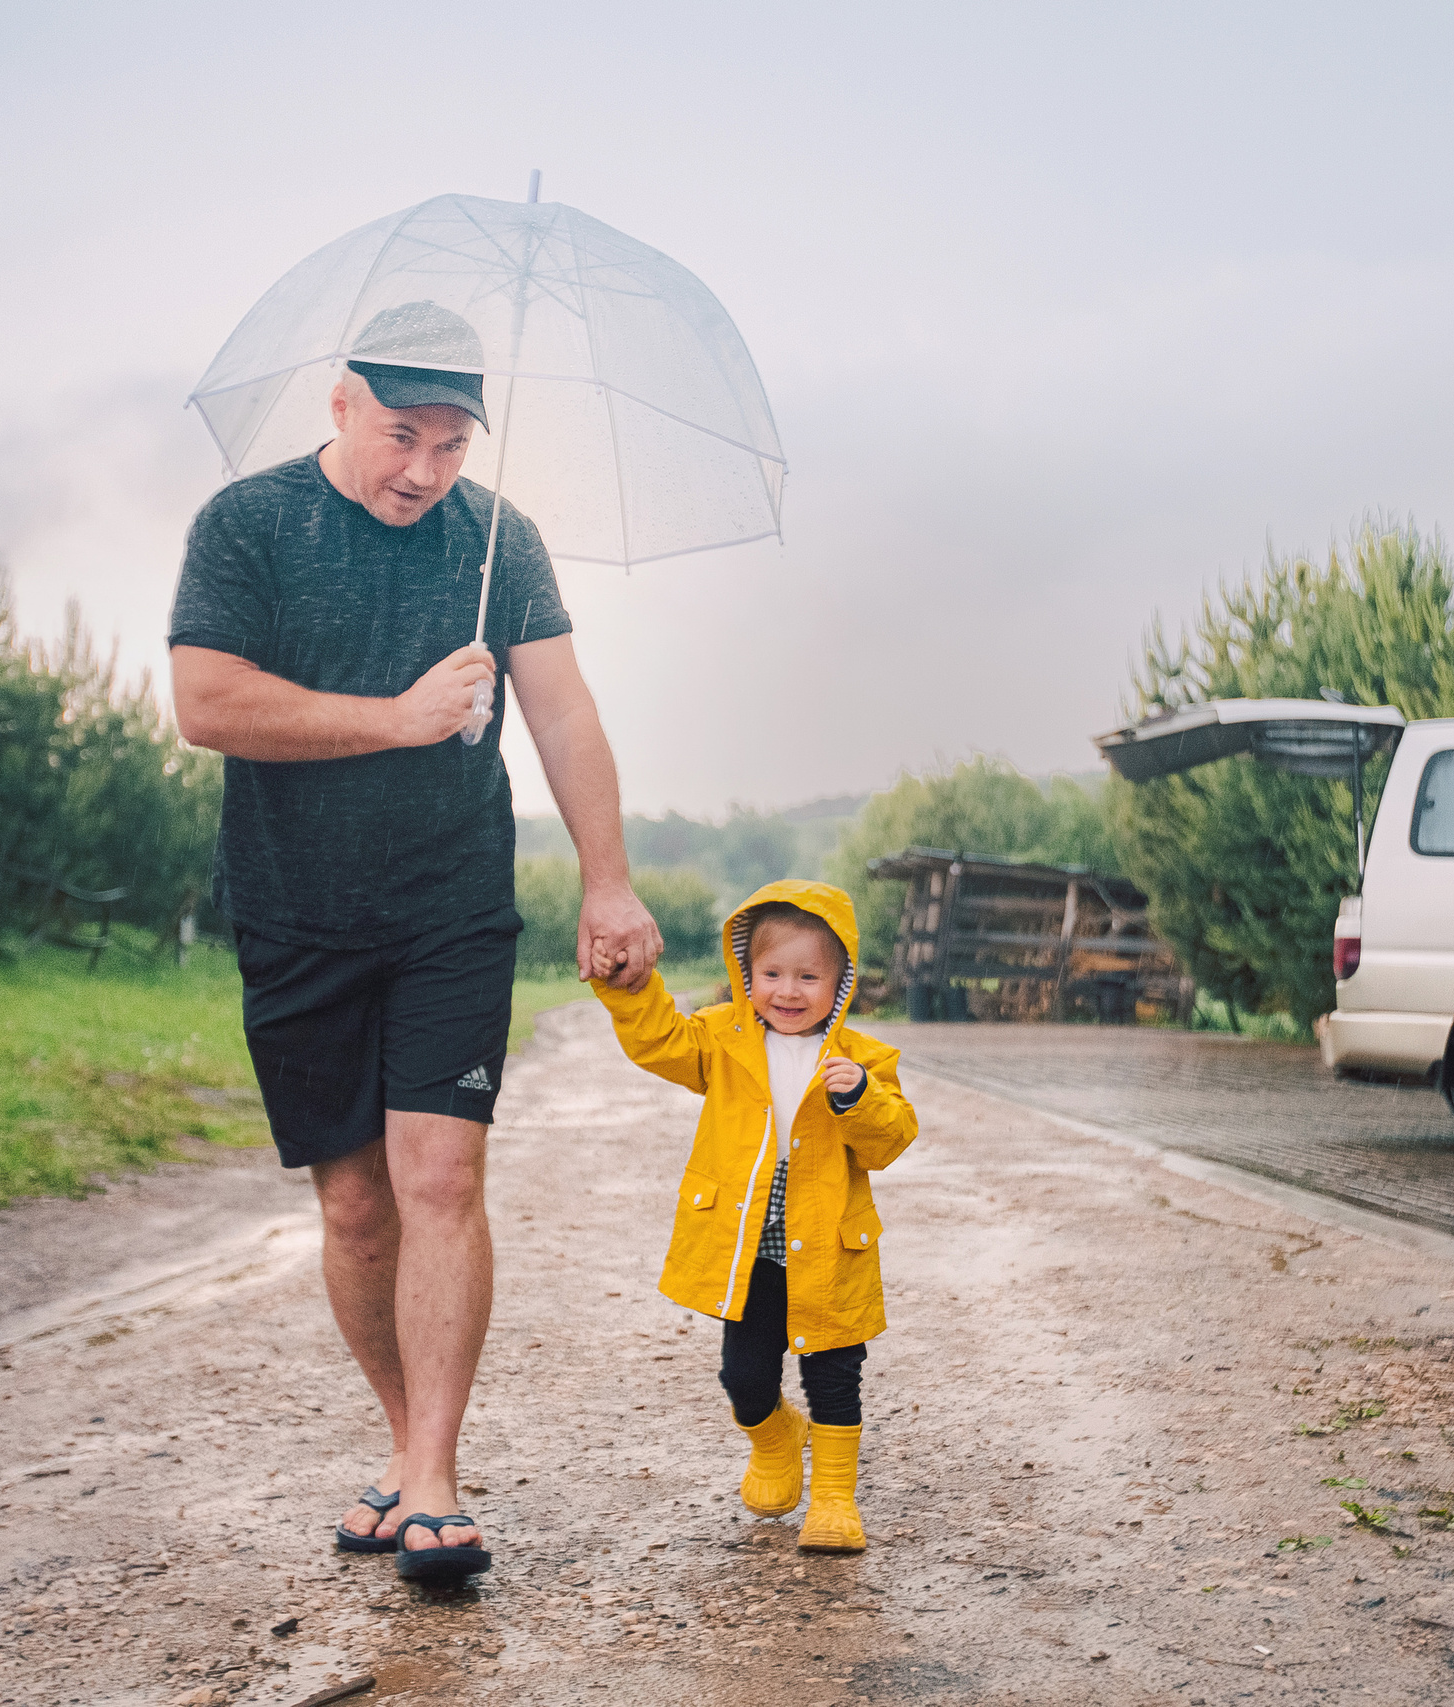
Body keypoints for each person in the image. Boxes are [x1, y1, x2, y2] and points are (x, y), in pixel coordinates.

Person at [168, 301, 663, 1581]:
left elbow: (562, 718)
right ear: (340, 406)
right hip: (294, 913)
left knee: (439, 1180)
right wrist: (395, 718)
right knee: (354, 1209)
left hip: (452, 907)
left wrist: (606, 883)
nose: (424, 471)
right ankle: (402, 1447)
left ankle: (436, 1478)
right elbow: (205, 704)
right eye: (403, 436)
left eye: (451, 444)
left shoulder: (501, 542)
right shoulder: (248, 526)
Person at [589, 881, 918, 1553]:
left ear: (842, 981)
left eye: (808, 976)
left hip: (827, 1249)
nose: (788, 991)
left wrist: (860, 1099)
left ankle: (832, 1497)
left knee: (834, 1376)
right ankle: (774, 1438)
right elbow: (659, 1041)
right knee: (745, 1376)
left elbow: (892, 1139)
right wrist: (630, 991)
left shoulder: (862, 1060)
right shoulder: (723, 1040)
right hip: (753, 1252)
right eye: (772, 974)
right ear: (747, 975)